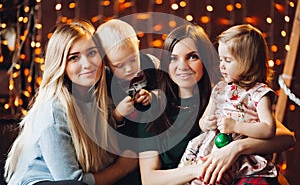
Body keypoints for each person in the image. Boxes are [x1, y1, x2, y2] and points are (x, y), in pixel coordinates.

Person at [138, 23, 296, 185]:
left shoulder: (226, 95)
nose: (182, 66)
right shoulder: (153, 107)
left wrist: (235, 149)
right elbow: (150, 179)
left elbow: (286, 138)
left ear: (205, 60)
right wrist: (200, 170)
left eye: (192, 56)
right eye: (173, 58)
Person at [4, 21, 138, 185]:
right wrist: (121, 168)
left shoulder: (103, 87)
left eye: (92, 52)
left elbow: (140, 66)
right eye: (74, 58)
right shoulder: (54, 114)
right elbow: (71, 180)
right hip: (46, 181)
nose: (87, 64)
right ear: (61, 65)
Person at [179, 24, 278, 184]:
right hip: (214, 151)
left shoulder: (259, 93)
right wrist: (207, 122)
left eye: (228, 60)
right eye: (221, 60)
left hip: (244, 158)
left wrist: (236, 126)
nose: (222, 66)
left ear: (248, 63)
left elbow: (268, 129)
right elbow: (203, 122)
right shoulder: (220, 89)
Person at [94, 19, 159, 140]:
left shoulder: (152, 63)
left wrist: (153, 96)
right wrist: (118, 114)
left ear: (138, 46)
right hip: (127, 138)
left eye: (133, 59)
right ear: (106, 62)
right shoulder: (105, 82)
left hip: (155, 129)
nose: (129, 69)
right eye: (119, 65)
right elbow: (103, 125)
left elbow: (169, 91)